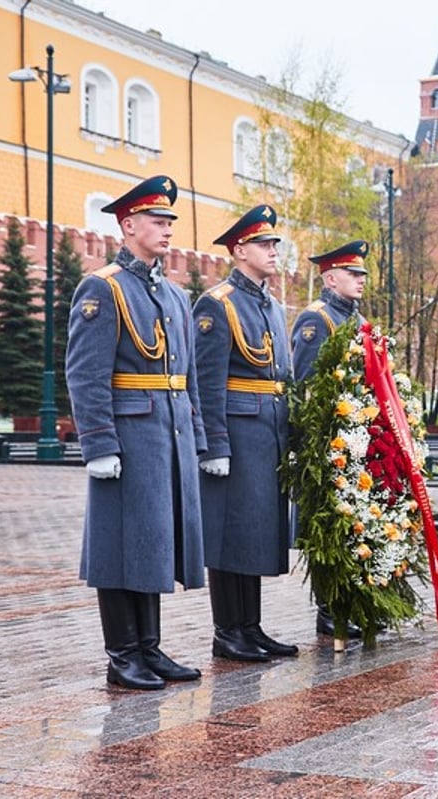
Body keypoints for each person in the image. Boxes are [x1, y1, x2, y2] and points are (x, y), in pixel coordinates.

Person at [66, 175, 206, 690]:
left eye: (169, 221)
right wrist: (99, 442)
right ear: (127, 226)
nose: (167, 228)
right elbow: (85, 372)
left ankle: (148, 647)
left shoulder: (172, 293)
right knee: (119, 544)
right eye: (156, 220)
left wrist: (194, 438)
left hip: (166, 434)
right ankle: (122, 652)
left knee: (152, 542)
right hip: (127, 435)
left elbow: (186, 376)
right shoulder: (103, 287)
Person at [194, 205, 297, 662]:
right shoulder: (217, 304)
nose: (273, 251)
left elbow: (282, 374)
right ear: (239, 251)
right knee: (230, 533)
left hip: (268, 430)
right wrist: (214, 444)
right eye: (263, 244)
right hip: (236, 431)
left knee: (256, 531)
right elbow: (207, 380)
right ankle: (227, 630)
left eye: (274, 244)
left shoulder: (272, 305)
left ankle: (250, 627)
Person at [290, 239, 370, 638]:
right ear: (331, 277)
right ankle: (329, 611)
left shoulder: (355, 321)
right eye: (353, 274)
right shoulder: (316, 320)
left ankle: (352, 603)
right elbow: (305, 386)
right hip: (328, 443)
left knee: (355, 524)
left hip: (356, 438)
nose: (361, 281)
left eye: (363, 275)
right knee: (330, 528)